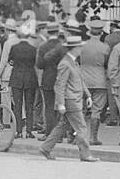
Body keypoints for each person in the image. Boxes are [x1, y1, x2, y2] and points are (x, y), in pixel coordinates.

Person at [39, 34, 97, 162]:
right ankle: (85, 154)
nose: (81, 49)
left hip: (74, 99)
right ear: (74, 48)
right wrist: (60, 103)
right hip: (71, 100)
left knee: (62, 126)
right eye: (80, 47)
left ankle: (46, 147)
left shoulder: (72, 62)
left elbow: (80, 81)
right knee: (81, 127)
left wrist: (87, 95)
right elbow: (60, 85)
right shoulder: (65, 63)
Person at [77, 21, 110, 145]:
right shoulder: (105, 48)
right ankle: (93, 138)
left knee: (80, 109)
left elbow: (77, 60)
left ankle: (78, 137)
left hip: (83, 80)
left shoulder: (81, 46)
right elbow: (107, 63)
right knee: (96, 110)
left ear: (89, 31)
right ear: (101, 32)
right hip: (100, 81)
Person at [8, 22, 39, 139]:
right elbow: (36, 62)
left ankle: (18, 131)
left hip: (17, 78)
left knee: (17, 106)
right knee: (29, 106)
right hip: (30, 78)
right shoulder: (33, 49)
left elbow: (10, 61)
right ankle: (29, 131)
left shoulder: (14, 48)